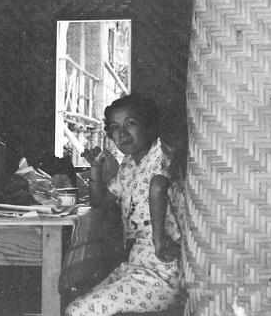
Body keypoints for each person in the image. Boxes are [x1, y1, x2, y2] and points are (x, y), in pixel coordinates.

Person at [65, 94, 184, 316]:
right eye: (115, 128)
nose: (123, 133)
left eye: (130, 124)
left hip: (161, 272)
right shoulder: (128, 166)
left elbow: (158, 184)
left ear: (147, 126)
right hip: (134, 267)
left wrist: (159, 240)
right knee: (76, 301)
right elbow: (99, 202)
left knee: (77, 311)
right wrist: (95, 168)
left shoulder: (161, 151)